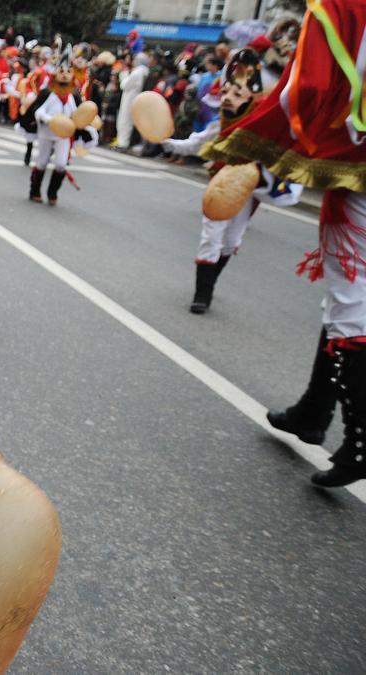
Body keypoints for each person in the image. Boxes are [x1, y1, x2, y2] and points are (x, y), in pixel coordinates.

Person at [204, 0, 366, 488]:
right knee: (348, 303)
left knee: (351, 304)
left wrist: (249, 135)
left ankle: (360, 439)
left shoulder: (342, 7)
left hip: (358, 168)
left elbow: (308, 89)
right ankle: (313, 411)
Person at [163, 49, 302, 314]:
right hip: (220, 185)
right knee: (212, 235)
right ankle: (202, 293)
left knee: (231, 241)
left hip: (248, 191)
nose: (228, 98)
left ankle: (211, 281)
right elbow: (196, 142)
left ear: (252, 96)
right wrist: (167, 143)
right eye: (226, 92)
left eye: (237, 94)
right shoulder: (221, 123)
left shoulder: (263, 127)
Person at [17, 47, 99, 206]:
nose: (65, 74)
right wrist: (51, 120)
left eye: (68, 71)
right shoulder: (48, 92)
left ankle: (52, 192)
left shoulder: (74, 95)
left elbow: (78, 113)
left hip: (64, 136)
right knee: (41, 163)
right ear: (56, 73)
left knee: (61, 164)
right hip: (46, 133)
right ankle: (35, 190)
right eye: (61, 71)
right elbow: (38, 111)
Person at [114, 52, 148, 149]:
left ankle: (123, 143)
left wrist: (124, 74)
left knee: (125, 121)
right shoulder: (144, 71)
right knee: (126, 120)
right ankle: (122, 142)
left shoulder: (137, 72)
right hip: (134, 98)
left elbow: (124, 85)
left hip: (130, 99)